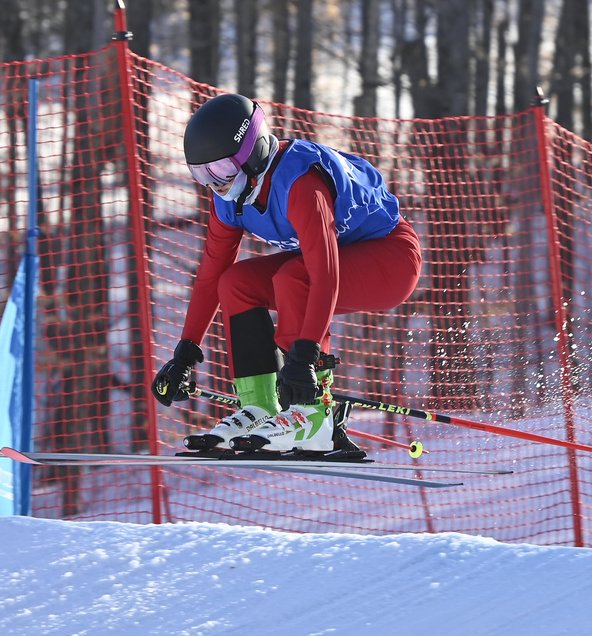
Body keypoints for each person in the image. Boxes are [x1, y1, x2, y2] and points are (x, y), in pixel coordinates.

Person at [152, 93, 422, 454]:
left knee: (293, 278)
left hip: (392, 259)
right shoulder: (230, 199)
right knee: (236, 283)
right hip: (331, 262)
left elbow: (322, 275)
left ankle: (314, 416)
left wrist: (304, 358)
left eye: (220, 170)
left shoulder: (300, 185)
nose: (214, 183)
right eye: (202, 173)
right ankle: (259, 407)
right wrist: (185, 352)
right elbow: (210, 277)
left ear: (254, 152)